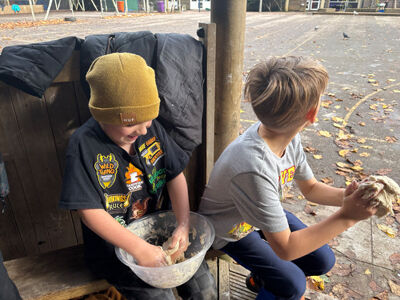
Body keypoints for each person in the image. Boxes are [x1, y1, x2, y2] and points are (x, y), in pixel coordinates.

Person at [198, 56, 379, 300]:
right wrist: (347, 217)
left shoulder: (286, 136)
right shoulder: (254, 166)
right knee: (293, 285)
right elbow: (286, 249)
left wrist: (348, 197)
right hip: (231, 231)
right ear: (312, 114)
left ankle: (261, 280)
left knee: (322, 260)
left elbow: (311, 188)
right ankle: (275, 286)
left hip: (258, 218)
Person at [60, 53, 216, 300]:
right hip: (115, 252)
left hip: (160, 231)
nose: (144, 130)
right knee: (160, 296)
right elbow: (88, 212)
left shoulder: (149, 128)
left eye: (149, 120)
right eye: (134, 124)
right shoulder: (83, 145)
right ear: (105, 116)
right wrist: (139, 249)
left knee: (204, 288)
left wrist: (184, 225)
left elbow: (175, 175)